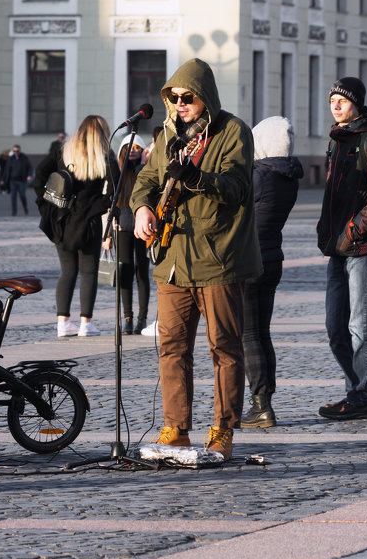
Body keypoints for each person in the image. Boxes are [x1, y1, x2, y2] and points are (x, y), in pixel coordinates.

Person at [131, 58, 262, 459]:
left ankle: (223, 429)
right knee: (172, 346)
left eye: (188, 97)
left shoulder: (232, 131)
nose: (180, 104)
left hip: (218, 258)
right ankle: (176, 427)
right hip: (172, 259)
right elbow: (147, 180)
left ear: (205, 98)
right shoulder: (169, 133)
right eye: (174, 97)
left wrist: (196, 178)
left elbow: (237, 187)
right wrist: (141, 208)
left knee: (224, 346)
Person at [317, 77, 367, 420]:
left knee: (360, 326)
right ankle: (355, 391)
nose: (336, 104)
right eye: (333, 98)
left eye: (343, 100)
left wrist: (353, 230)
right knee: (336, 329)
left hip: (363, 249)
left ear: (357, 105)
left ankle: (361, 398)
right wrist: (332, 235)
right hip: (338, 248)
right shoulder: (338, 140)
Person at [241, 117, 303, 428]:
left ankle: (260, 404)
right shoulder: (287, 176)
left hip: (250, 260)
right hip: (273, 259)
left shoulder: (258, 176)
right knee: (261, 333)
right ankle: (265, 400)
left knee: (248, 334)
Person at [35, 115, 120, 338]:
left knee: (67, 272)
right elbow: (115, 190)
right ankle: (85, 323)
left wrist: (48, 201)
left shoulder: (64, 151)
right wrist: (100, 207)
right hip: (89, 220)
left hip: (62, 218)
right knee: (88, 272)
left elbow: (40, 174)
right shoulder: (105, 155)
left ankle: (62, 323)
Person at [108, 134, 150, 335]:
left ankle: (142, 318)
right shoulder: (117, 173)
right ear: (122, 151)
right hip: (123, 227)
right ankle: (127, 317)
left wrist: (144, 163)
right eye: (129, 147)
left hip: (143, 228)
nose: (132, 150)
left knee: (142, 272)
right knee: (125, 273)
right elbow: (111, 204)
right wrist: (107, 235)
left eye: (137, 147)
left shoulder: (145, 171)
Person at [1, 144, 33, 215]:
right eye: (14, 151)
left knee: (22, 195)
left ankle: (25, 207)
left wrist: (29, 175)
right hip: (13, 181)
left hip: (22, 181)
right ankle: (14, 212)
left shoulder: (24, 158)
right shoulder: (11, 158)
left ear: (19, 150)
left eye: (17, 151)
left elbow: (30, 167)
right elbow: (6, 170)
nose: (16, 152)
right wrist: (3, 179)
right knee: (13, 196)